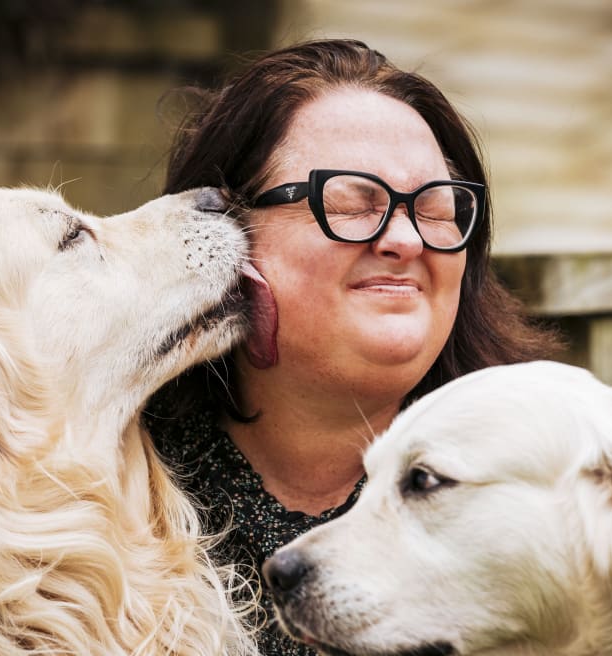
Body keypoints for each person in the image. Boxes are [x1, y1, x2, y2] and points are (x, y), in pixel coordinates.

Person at [144, 39, 559, 655]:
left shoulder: (544, 470)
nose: (406, 238)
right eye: (349, 201)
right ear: (225, 228)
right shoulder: (108, 491)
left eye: (435, 208)